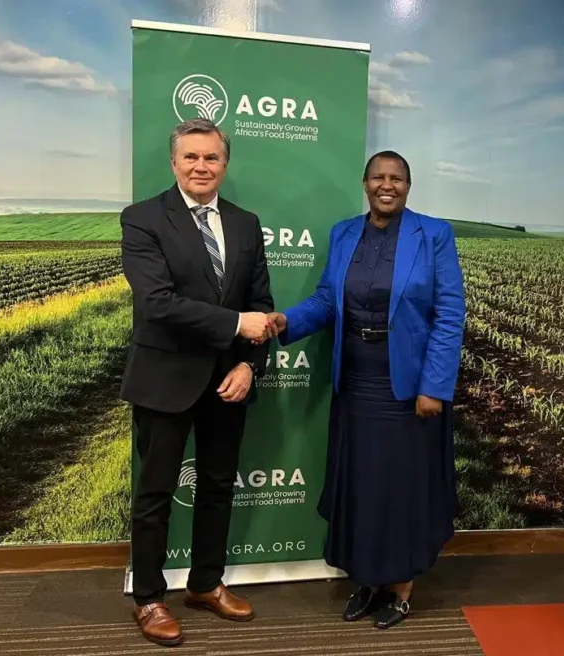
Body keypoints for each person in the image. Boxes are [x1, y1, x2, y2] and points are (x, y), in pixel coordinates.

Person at [266, 150, 466, 630]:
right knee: (362, 486)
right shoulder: (344, 233)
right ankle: (369, 579)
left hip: (407, 389)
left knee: (400, 489)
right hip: (356, 383)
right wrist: (287, 321)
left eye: (397, 178)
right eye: (379, 176)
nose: (387, 185)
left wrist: (433, 386)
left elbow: (449, 314)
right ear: (365, 182)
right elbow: (326, 300)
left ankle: (401, 587)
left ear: (408, 186)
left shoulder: (434, 235)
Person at [119, 118, 274, 647]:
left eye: (211, 158)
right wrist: (235, 325)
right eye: (191, 157)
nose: (201, 166)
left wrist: (249, 365)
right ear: (174, 162)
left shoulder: (246, 224)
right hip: (164, 380)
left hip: (228, 381)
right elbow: (157, 303)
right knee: (155, 494)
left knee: (217, 488)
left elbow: (261, 305)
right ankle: (148, 598)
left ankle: (206, 583)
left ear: (225, 164)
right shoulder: (143, 219)